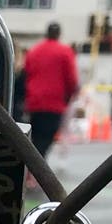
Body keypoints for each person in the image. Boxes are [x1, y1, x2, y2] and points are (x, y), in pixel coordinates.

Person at [23, 22, 79, 159]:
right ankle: (36, 169)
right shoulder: (65, 52)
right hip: (54, 103)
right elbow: (71, 78)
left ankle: (31, 167)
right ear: (59, 34)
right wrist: (70, 95)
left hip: (35, 101)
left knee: (35, 137)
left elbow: (27, 73)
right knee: (46, 139)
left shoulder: (34, 51)